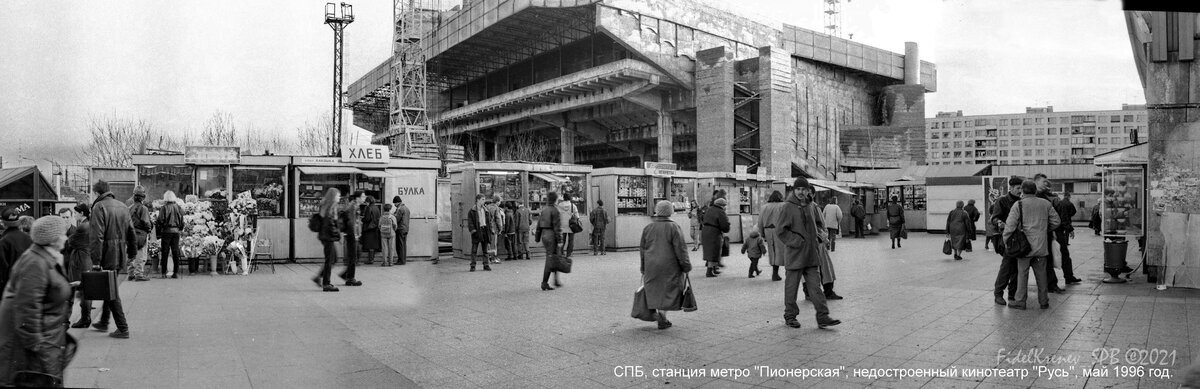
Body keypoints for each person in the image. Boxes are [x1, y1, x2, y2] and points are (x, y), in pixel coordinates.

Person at [0, 216, 76, 387]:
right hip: (40, 347)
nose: (65, 238)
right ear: (53, 239)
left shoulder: (45, 257)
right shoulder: (35, 262)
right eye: (63, 234)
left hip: (49, 339)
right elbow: (27, 308)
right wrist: (38, 346)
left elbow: (43, 292)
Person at [776, 178, 841, 329]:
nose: (801, 192)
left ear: (808, 191)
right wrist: (796, 241)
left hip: (811, 255)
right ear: (794, 190)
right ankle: (790, 316)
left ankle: (823, 316)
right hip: (795, 254)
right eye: (798, 189)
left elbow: (819, 224)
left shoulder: (811, 205)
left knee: (815, 288)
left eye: (803, 189)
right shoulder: (787, 207)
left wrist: (819, 235)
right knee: (791, 287)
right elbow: (780, 230)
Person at [88, 180, 138, 339]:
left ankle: (123, 328)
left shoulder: (99, 207)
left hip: (106, 254)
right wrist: (132, 253)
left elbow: (97, 236)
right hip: (119, 253)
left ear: (96, 193)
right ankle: (104, 321)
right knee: (109, 287)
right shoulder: (123, 206)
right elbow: (131, 232)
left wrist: (96, 261)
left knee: (111, 291)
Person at [1003, 180, 1061, 310]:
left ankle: (1020, 301)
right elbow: (1057, 221)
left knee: (1022, 274)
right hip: (1041, 246)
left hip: (1024, 247)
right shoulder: (1046, 204)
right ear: (1035, 190)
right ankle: (1044, 301)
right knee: (1042, 275)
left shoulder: (1019, 205)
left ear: (1023, 191)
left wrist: (1006, 240)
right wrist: (1044, 229)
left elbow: (1010, 225)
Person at [639, 200, 692, 329]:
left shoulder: (648, 227)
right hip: (670, 266)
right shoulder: (674, 227)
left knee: (655, 289)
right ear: (670, 212)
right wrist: (686, 265)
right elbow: (681, 249)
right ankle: (662, 316)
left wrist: (643, 267)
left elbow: (642, 249)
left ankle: (659, 314)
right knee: (668, 290)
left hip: (651, 265)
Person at [991, 176, 1024, 306]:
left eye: (1021, 188)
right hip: (1007, 239)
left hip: (1020, 239)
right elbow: (994, 217)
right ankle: (998, 293)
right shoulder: (1002, 201)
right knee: (1006, 267)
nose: (1020, 190)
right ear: (1010, 188)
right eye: (1018, 188)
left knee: (1017, 268)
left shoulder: (1022, 201)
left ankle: (1012, 294)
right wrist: (1000, 222)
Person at [1033, 174, 1064, 293]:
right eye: (1043, 182)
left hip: (1045, 234)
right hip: (1038, 234)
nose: (1046, 184)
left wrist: (1051, 230)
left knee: (1047, 260)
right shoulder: (1033, 197)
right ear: (1036, 182)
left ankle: (1050, 285)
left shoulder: (1045, 197)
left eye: (1047, 182)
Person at [65, 204, 95, 328]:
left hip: (80, 261)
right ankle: (85, 318)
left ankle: (85, 319)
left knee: (83, 289)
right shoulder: (89, 224)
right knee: (85, 289)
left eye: (76, 213)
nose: (74, 215)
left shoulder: (83, 226)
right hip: (86, 259)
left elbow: (70, 242)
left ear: (82, 213)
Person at [311, 188, 343, 292]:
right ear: (333, 197)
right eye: (338, 195)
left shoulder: (326, 206)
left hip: (325, 237)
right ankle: (326, 284)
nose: (339, 197)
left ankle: (319, 277)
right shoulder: (329, 208)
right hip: (328, 237)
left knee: (333, 259)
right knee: (330, 260)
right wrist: (337, 235)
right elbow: (330, 225)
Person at [0, 208, 32, 289]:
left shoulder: (3, 242)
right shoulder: (29, 239)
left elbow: (2, 270)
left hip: (11, 288)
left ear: (3, 223)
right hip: (28, 286)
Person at [156, 191, 185, 278]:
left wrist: (161, 227)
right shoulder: (178, 207)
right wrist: (179, 228)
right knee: (175, 252)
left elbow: (160, 220)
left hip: (166, 231)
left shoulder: (164, 208)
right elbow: (182, 221)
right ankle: (175, 272)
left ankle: (163, 273)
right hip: (176, 232)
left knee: (165, 252)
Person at [126, 185, 152, 282]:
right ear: (143, 197)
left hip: (130, 233)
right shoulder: (143, 209)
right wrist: (149, 230)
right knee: (141, 254)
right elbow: (146, 222)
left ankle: (131, 273)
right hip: (141, 234)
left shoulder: (129, 208)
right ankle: (139, 274)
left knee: (131, 253)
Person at [339, 191, 364, 286]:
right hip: (351, 235)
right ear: (357, 198)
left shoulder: (355, 206)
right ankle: (350, 278)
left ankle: (346, 275)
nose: (364, 198)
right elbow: (351, 222)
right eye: (363, 196)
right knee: (353, 256)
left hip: (353, 234)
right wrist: (354, 234)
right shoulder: (352, 207)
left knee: (355, 255)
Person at [538, 192, 562, 290]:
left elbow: (539, 224)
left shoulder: (544, 210)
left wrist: (537, 236)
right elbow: (557, 226)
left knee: (553, 256)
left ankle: (556, 280)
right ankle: (545, 282)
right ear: (555, 199)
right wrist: (560, 239)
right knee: (551, 258)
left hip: (544, 234)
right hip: (552, 235)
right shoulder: (555, 210)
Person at [1054, 192, 1080, 285]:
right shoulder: (1064, 203)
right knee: (1064, 253)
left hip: (1054, 230)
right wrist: (1070, 228)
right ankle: (1068, 277)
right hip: (1058, 230)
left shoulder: (1058, 203)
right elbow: (1065, 216)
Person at [759, 191, 786, 281]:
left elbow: (760, 222)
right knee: (783, 252)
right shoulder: (783, 205)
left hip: (768, 230)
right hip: (781, 230)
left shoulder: (764, 207)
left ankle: (775, 273)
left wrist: (762, 233)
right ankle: (788, 272)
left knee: (772, 252)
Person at [701, 197, 730, 277]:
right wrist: (727, 226)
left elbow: (702, 218)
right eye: (725, 205)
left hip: (705, 230)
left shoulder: (709, 209)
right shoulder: (720, 212)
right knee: (714, 251)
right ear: (722, 205)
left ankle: (713, 269)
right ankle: (709, 271)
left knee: (709, 250)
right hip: (714, 232)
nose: (725, 207)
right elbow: (724, 225)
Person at [466, 194, 493, 272]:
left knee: (485, 250)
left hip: (484, 230)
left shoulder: (485, 210)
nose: (484, 201)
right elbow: (470, 222)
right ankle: (473, 266)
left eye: (484, 199)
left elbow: (489, 221)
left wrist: (490, 229)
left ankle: (486, 265)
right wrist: (473, 231)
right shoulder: (472, 211)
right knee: (474, 250)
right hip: (477, 230)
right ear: (478, 200)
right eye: (482, 199)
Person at [360, 196, 381, 265]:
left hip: (369, 228)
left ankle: (370, 260)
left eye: (366, 202)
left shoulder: (369, 208)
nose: (366, 203)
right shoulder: (377, 208)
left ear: (368, 201)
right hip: (375, 227)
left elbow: (367, 219)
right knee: (373, 244)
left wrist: (362, 219)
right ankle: (371, 259)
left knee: (370, 244)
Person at [556, 193, 579, 259]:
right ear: (569, 198)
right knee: (571, 240)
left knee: (562, 240)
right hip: (571, 225)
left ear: (563, 197)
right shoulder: (573, 206)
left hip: (562, 225)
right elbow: (577, 216)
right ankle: (569, 254)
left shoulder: (559, 205)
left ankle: (561, 253)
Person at [392, 196, 411, 265]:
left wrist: (392, 216)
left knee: (400, 245)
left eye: (394, 203)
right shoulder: (406, 208)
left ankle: (401, 261)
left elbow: (396, 219)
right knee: (403, 245)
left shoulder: (400, 209)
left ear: (397, 202)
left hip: (400, 229)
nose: (394, 205)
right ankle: (403, 260)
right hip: (405, 228)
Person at [486, 196, 504, 264]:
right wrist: (500, 228)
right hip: (494, 228)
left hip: (487, 228)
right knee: (494, 244)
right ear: (497, 201)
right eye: (500, 201)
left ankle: (489, 257)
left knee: (489, 244)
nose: (500, 203)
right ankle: (493, 258)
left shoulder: (487, 207)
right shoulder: (496, 208)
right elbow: (498, 219)